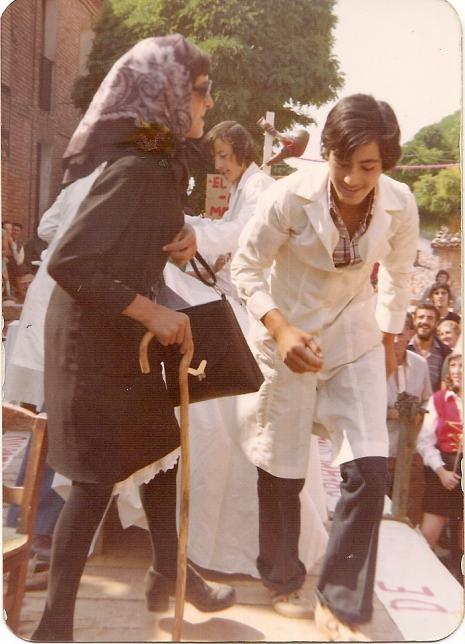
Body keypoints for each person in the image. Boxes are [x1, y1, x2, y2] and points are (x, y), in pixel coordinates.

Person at [31, 35, 235, 643]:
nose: (208, 102)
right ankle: (53, 628)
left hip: (117, 336)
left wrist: (181, 236)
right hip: (92, 343)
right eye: (200, 91)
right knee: (94, 482)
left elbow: (130, 235)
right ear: (167, 95)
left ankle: (168, 572)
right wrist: (152, 312)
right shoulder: (139, 167)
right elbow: (69, 261)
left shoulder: (159, 163)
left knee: (159, 452)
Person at [231, 94, 419, 639]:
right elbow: (245, 269)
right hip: (286, 337)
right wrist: (281, 330)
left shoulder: (401, 204)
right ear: (327, 153)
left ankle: (339, 601)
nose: (354, 179)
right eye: (343, 163)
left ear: (385, 164)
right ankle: (281, 576)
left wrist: (388, 339)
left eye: (369, 167)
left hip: (355, 338)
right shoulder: (288, 198)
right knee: (282, 466)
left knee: (369, 468)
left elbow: (399, 276)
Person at [115, 121, 329, 593]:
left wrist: (195, 231)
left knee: (237, 417)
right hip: (234, 303)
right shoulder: (241, 189)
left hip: (256, 313)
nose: (220, 165)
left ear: (242, 153)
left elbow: (242, 235)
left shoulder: (261, 188)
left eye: (224, 156)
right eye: (216, 157)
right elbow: (227, 234)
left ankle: (239, 545)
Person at [417, 352, 463, 581]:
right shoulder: (439, 400)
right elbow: (424, 442)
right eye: (453, 365)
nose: (457, 371)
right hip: (443, 472)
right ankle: (419, 580)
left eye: (462, 366)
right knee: (428, 534)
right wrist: (441, 471)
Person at [386, 315, 432, 526]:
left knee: (409, 512)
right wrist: (391, 413)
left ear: (410, 334)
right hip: (382, 449)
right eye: (392, 334)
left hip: (409, 450)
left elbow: (427, 399)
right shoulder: (375, 362)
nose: (396, 340)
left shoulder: (420, 364)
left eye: (401, 333)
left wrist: (419, 414)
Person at [407, 303, 452, 392]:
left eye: (430, 318)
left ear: (436, 323)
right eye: (421, 317)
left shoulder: (445, 353)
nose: (425, 321)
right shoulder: (403, 348)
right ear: (414, 320)